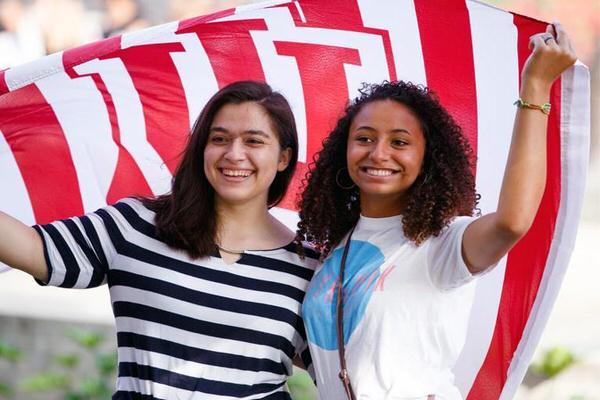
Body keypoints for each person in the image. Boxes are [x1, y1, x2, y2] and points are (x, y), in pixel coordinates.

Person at [297, 23, 577, 400]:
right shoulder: (335, 247)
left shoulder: (443, 242)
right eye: (364, 138)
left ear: (427, 158)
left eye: (400, 142)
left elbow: (513, 222)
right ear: (341, 151)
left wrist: (536, 89)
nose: (378, 153)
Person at [0, 81, 319, 399]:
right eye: (219, 139)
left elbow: (347, 369)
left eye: (254, 141)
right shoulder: (136, 225)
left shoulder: (308, 270)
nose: (234, 154)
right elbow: (33, 248)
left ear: (283, 157)